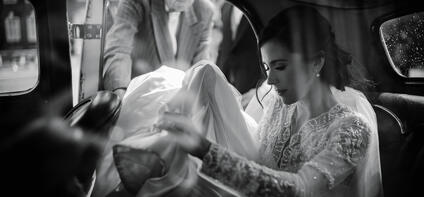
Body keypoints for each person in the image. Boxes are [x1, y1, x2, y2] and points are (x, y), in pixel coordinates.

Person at [94, 5, 381, 197]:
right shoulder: (279, 105)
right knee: (191, 76)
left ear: (316, 61)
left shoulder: (352, 130)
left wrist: (206, 150)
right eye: (267, 69)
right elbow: (253, 148)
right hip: (244, 184)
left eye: (280, 67)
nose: (269, 81)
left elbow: (299, 189)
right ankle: (151, 160)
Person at [102, 0, 214, 98]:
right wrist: (120, 94)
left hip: (180, 105)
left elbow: (201, 66)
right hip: (141, 100)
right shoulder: (136, 2)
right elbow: (119, 49)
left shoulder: (204, 10)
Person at [216, 3, 263, 102]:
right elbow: (225, 46)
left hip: (252, 90)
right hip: (225, 86)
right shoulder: (226, 6)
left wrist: (261, 90)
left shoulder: (263, 6)